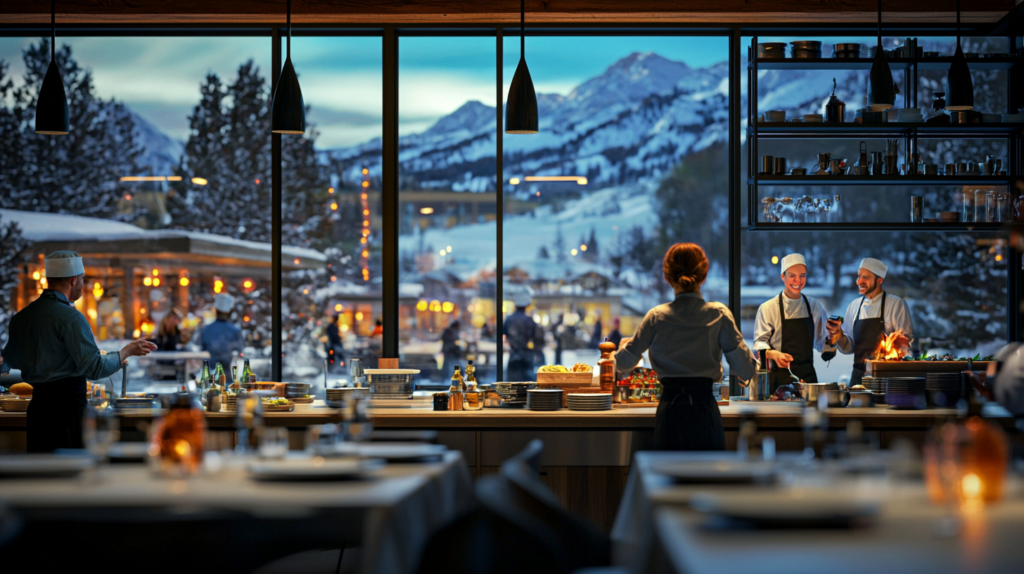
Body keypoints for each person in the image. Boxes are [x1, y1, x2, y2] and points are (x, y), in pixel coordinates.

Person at [0, 251, 156, 452]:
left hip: (38, 410)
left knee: (40, 473)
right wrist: (126, 351)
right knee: (67, 473)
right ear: (74, 280)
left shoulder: (21, 318)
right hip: (67, 411)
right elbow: (94, 368)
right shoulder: (71, 318)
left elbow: (11, 359)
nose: (83, 284)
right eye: (83, 279)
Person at [615, 243, 756, 451]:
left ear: (667, 277)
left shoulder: (656, 317)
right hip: (704, 412)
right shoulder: (718, 314)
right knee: (706, 482)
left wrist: (627, 345)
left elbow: (622, 364)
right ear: (704, 275)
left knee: (670, 481)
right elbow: (746, 370)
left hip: (670, 413)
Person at [826, 257, 913, 387]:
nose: (859, 281)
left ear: (879, 280)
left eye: (865, 277)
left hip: (886, 378)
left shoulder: (896, 304)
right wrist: (839, 335)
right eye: (859, 276)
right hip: (858, 379)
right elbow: (849, 347)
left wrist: (898, 342)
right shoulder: (854, 306)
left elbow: (906, 345)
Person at [752, 253, 829, 390]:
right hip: (778, 382)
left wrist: (834, 337)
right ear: (783, 276)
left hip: (807, 380)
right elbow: (759, 344)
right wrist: (774, 354)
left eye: (802, 275)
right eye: (792, 275)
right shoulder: (768, 308)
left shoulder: (814, 306)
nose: (797, 281)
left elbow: (822, 344)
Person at [504, 287, 544, 381]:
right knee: (526, 385)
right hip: (527, 358)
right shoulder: (530, 321)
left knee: (512, 386)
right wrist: (537, 352)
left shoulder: (509, 320)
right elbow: (538, 340)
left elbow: (504, 335)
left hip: (513, 357)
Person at [201, 293, 243, 373]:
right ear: (230, 312)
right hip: (229, 375)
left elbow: (200, 348)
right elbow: (240, 350)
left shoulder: (207, 329)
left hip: (209, 374)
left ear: (216, 310)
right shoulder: (234, 330)